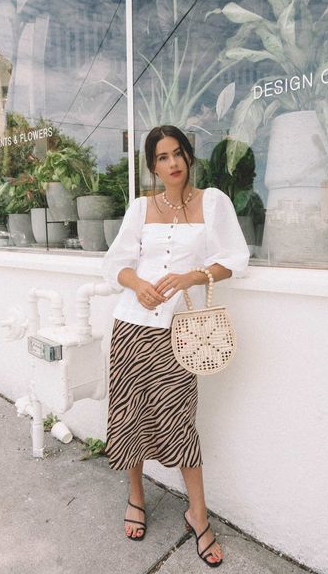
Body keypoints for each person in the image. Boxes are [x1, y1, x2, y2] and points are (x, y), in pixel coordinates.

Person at [101, 125, 249, 568]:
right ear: (152, 167)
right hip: (131, 324)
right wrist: (138, 283)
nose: (173, 163)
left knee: (181, 420)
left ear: (188, 156)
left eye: (178, 153)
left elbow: (234, 258)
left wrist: (194, 276)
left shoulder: (214, 201)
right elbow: (116, 263)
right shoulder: (141, 207)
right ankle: (135, 494)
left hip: (178, 329)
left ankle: (197, 513)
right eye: (162, 157)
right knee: (128, 412)